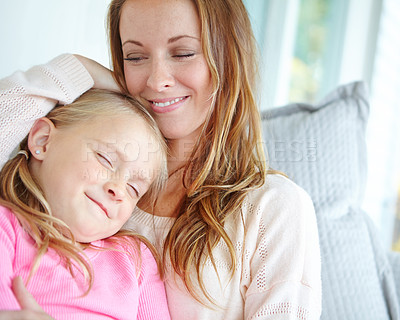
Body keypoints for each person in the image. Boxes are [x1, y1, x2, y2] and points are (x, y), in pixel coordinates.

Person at [0, 0, 322, 319]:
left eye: (182, 53)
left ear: (227, 57)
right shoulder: (77, 177)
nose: (156, 81)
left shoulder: (274, 208)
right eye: (135, 57)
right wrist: (77, 69)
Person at [0, 88, 171, 320]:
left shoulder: (135, 259)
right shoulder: (6, 228)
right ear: (43, 140)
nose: (119, 189)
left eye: (134, 189)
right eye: (105, 159)